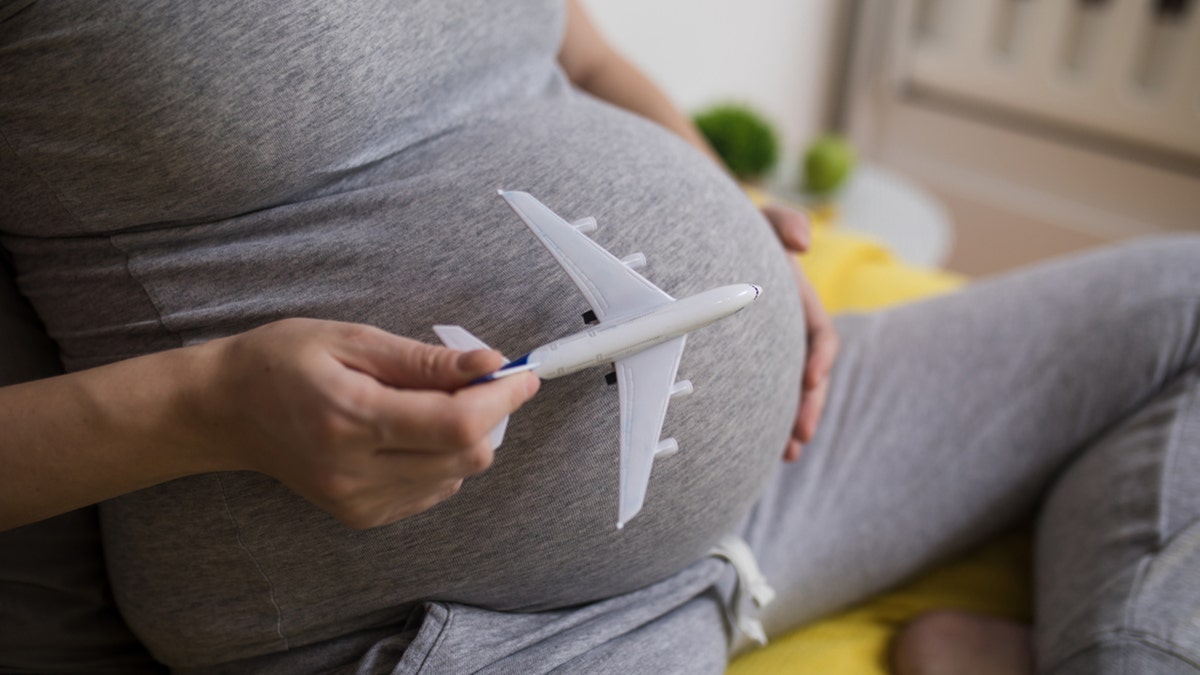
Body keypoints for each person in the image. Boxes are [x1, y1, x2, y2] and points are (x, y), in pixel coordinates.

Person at [0, 2, 1196, 673]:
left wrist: (730, 208)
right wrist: (201, 405)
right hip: (444, 634)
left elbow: (572, 44)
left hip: (780, 473)